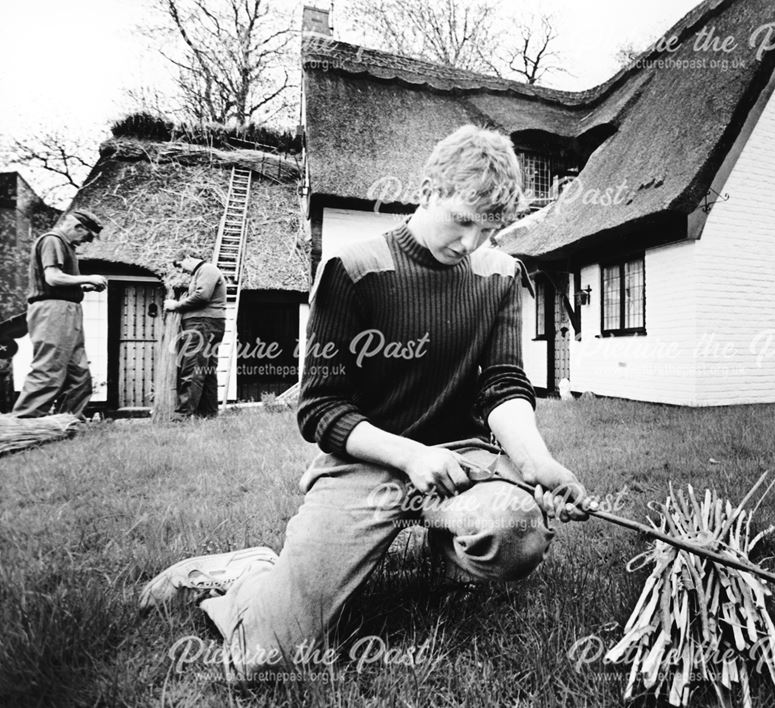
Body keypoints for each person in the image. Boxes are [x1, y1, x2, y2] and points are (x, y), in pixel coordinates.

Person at [140, 125, 593, 680]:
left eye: (489, 228)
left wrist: (533, 462)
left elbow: (502, 382)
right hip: (367, 462)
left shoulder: (500, 275)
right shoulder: (353, 270)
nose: (472, 243)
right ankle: (249, 575)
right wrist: (407, 456)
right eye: (462, 221)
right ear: (429, 189)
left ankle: (448, 561)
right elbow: (319, 409)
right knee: (267, 656)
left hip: (460, 461)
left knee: (519, 531)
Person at [12, 209, 107, 419]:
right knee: (48, 368)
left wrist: (81, 288)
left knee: (79, 375)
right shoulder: (53, 240)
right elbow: (53, 278)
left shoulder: (66, 245)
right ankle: (24, 422)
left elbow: (59, 283)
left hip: (67, 309)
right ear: (77, 227)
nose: (87, 242)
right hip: (52, 310)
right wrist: (88, 278)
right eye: (87, 236)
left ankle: (66, 422)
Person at [164, 249, 227, 420]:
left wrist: (176, 305)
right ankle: (208, 414)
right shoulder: (202, 272)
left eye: (180, 265)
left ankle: (182, 416)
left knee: (192, 368)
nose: (181, 270)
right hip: (208, 324)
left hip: (202, 324)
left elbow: (202, 296)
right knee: (206, 370)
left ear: (188, 257)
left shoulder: (207, 269)